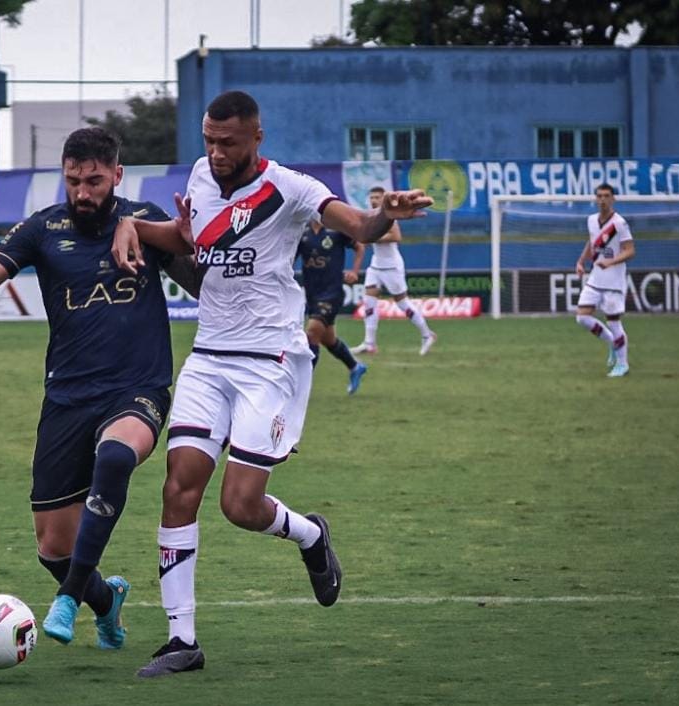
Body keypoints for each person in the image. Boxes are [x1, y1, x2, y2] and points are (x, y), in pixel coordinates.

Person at [111, 90, 432, 677]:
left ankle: (310, 535)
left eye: (227, 142)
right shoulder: (202, 178)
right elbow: (193, 244)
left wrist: (388, 212)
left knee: (239, 505)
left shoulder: (292, 188)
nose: (215, 152)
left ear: (257, 138)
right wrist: (134, 224)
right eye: (208, 140)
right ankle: (181, 640)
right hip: (209, 356)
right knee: (179, 486)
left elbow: (360, 222)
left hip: (269, 360)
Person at [0, 126, 191, 650]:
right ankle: (105, 599)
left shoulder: (144, 221)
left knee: (117, 456)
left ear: (117, 175)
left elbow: (205, 281)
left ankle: (69, 600)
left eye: (95, 181)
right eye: (73, 180)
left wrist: (189, 239)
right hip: (67, 399)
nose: (83, 192)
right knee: (53, 548)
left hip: (137, 388)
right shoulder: (40, 229)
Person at [351, 186, 437, 356]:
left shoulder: (389, 216)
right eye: (372, 197)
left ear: (384, 199)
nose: (374, 200)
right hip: (376, 265)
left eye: (377, 197)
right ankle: (369, 343)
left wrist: (372, 237)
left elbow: (396, 237)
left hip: (392, 267)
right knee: (369, 302)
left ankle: (427, 335)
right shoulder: (371, 216)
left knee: (402, 303)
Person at [296, 219, 368, 394]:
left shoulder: (336, 229)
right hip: (312, 293)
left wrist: (354, 272)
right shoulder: (301, 231)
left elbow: (359, 247)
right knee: (328, 339)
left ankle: (300, 388)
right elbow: (290, 258)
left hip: (332, 293)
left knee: (312, 333)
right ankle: (355, 366)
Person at [574, 182, 635, 377]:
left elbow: (630, 250)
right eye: (599, 196)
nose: (602, 200)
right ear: (595, 199)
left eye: (606, 196)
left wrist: (611, 262)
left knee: (613, 321)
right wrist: (581, 261)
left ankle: (622, 364)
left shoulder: (619, 223)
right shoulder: (591, 220)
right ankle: (612, 343)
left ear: (613, 198)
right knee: (582, 317)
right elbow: (593, 241)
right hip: (595, 278)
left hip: (613, 282)